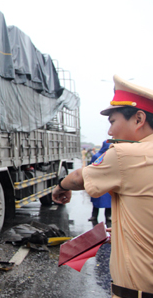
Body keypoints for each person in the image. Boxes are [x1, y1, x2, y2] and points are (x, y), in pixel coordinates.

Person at [52, 75, 153, 296]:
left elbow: (78, 177)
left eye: (113, 122)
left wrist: (60, 187)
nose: (109, 132)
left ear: (138, 119)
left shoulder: (125, 154)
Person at [87, 140, 111, 223]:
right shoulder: (97, 156)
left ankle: (108, 216)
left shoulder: (111, 156)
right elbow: (91, 167)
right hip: (99, 181)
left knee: (108, 201)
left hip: (107, 181)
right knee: (97, 199)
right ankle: (94, 216)